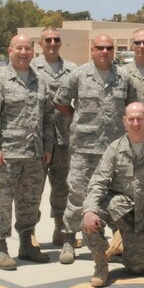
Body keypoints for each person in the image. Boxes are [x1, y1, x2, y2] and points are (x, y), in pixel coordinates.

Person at [54, 34, 135, 265]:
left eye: (109, 48)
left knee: (112, 197)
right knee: (78, 195)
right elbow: (61, 101)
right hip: (84, 149)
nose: (104, 51)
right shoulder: (79, 75)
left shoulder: (124, 77)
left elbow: (133, 106)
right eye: (100, 47)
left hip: (114, 150)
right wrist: (77, 120)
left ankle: (111, 239)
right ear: (93, 49)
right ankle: (69, 240)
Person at [0, 34, 54, 270]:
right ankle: (0, 248)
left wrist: (48, 147)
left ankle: (27, 244)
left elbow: (48, 118)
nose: (23, 52)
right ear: (9, 50)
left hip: (34, 155)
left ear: (34, 52)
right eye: (19, 48)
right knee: (2, 203)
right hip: (6, 156)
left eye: (27, 48)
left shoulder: (40, 81)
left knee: (30, 202)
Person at [81, 102, 144, 287]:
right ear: (124, 121)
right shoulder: (115, 148)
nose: (135, 123)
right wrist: (89, 210)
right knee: (88, 222)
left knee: (137, 268)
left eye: (139, 119)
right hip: (116, 208)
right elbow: (98, 181)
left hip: (141, 216)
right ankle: (101, 264)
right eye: (131, 119)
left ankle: (122, 240)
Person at [31, 27, 77, 246]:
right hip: (37, 139)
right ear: (41, 43)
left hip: (64, 138)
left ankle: (61, 228)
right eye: (47, 39)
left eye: (55, 39)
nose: (52, 43)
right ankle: (29, 232)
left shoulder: (71, 70)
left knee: (63, 187)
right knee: (33, 188)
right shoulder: (31, 67)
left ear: (61, 43)